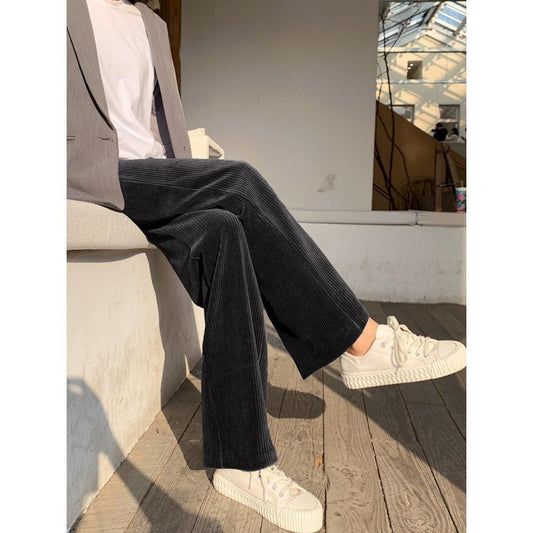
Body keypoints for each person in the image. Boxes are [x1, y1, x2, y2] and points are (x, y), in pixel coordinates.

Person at [67, 0, 466, 531]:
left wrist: (185, 176)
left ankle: (242, 460)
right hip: (94, 174)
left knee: (227, 231)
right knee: (240, 180)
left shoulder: (151, 23)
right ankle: (360, 341)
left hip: (159, 177)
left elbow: (161, 128)